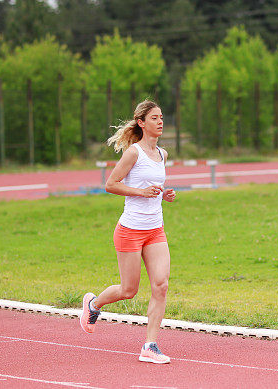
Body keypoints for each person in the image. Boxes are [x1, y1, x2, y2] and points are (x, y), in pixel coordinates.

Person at [80, 99, 176, 364]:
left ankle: (150, 345)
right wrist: (141, 192)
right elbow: (110, 184)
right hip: (130, 230)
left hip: (155, 229)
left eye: (162, 117)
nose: (160, 122)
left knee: (161, 285)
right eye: (154, 118)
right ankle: (94, 305)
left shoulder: (163, 154)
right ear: (142, 123)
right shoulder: (134, 152)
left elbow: (152, 188)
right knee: (128, 290)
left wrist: (163, 195)